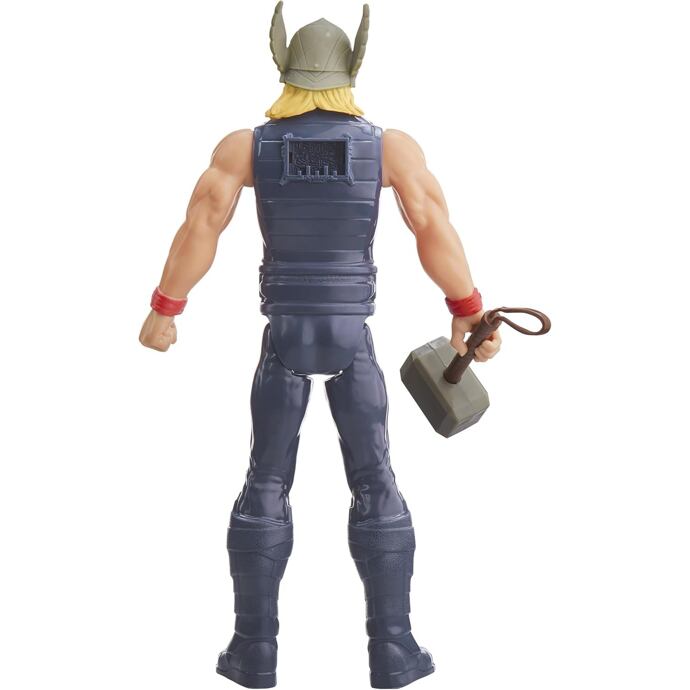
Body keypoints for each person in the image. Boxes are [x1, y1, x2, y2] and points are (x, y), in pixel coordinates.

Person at [139, 4, 501, 688]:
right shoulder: (388, 148)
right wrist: (467, 309)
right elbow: (431, 224)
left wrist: (166, 308)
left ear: (284, 67)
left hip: (285, 333)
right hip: (350, 335)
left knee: (265, 481)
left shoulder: (245, 147)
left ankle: (254, 650)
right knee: (376, 480)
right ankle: (393, 649)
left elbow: (202, 224)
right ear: (351, 69)